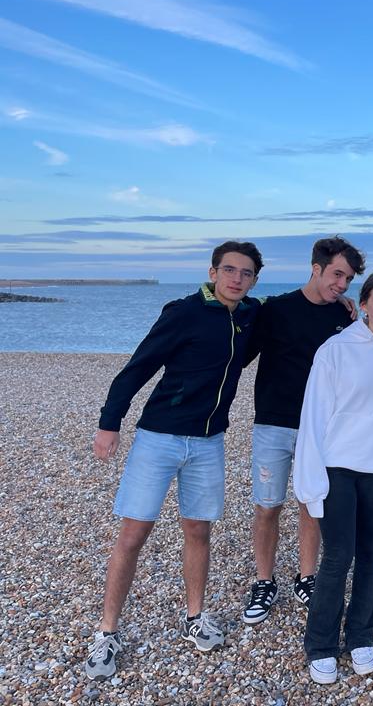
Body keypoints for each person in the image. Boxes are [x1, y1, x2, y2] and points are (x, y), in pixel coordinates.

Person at [84, 241, 263, 681]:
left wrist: (345, 307)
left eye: (246, 273)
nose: (236, 278)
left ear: (254, 280)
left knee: (198, 529)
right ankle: (106, 632)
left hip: (209, 442)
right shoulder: (183, 312)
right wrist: (109, 422)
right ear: (213, 272)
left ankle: (195, 616)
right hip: (159, 438)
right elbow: (138, 367)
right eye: (229, 270)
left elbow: (294, 312)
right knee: (133, 533)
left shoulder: (250, 314)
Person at [294, 271, 373, 684]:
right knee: (338, 554)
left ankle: (361, 636)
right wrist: (310, 479)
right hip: (338, 466)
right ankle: (320, 644)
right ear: (363, 305)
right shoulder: (336, 349)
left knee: (371, 554)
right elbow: (314, 415)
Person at [240, 236, 365, 625]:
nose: (342, 285)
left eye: (349, 279)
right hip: (273, 423)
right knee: (267, 506)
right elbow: (238, 355)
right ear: (316, 268)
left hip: (322, 427)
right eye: (337, 275)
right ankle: (264, 581)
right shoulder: (275, 310)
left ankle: (307, 577)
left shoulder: (344, 316)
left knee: (312, 503)